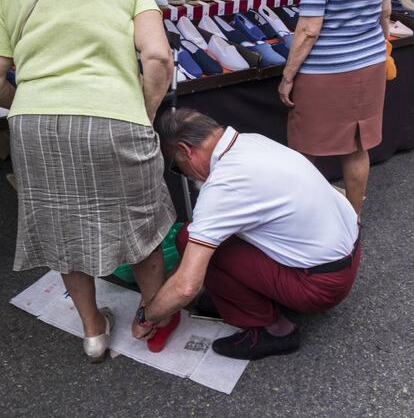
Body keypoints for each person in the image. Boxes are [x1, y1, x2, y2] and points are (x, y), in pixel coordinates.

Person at [0, 0, 177, 363]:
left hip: (35, 124)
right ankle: (152, 315)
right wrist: (140, 116)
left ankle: (93, 331)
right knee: (139, 226)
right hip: (114, 116)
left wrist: (23, 102)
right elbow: (158, 59)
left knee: (61, 229)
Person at [131, 108, 360, 361]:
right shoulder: (253, 141)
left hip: (320, 286)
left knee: (188, 239)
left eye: (177, 168)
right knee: (209, 238)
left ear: (186, 151)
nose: (183, 173)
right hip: (346, 256)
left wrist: (147, 316)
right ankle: (243, 298)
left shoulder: (224, 184)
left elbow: (186, 287)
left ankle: (273, 330)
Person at [278, 0, 391, 216]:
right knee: (357, 147)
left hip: (326, 72)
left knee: (303, 148)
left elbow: (309, 29)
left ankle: (308, 222)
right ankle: (352, 220)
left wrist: (287, 76)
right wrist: (375, 45)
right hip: (369, 65)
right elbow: (385, 11)